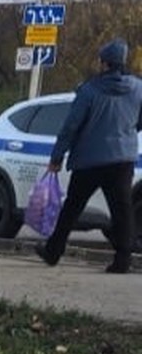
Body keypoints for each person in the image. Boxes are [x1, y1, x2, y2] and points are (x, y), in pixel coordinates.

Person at [38, 39, 142, 274]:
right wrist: (127, 132)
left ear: (104, 63)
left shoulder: (89, 90)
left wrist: (57, 157)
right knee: (122, 210)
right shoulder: (138, 88)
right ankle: (123, 260)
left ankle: (53, 251)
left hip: (90, 160)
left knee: (72, 207)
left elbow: (71, 126)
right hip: (122, 159)